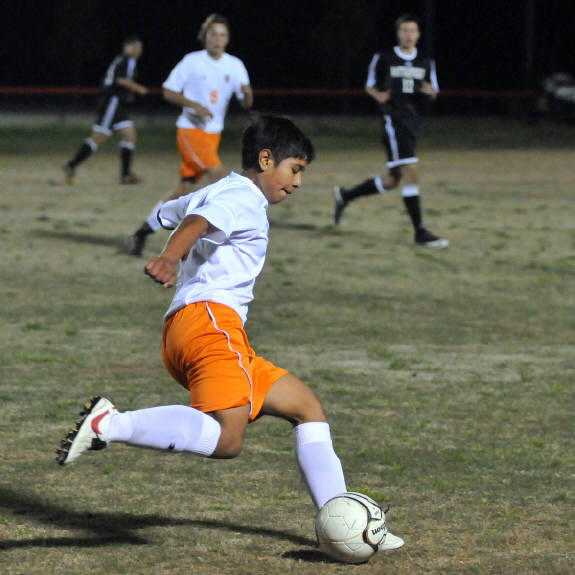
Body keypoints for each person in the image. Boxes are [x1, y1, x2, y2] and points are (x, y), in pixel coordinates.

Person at [55, 116, 404, 552]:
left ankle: (344, 521)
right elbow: (198, 222)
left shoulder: (222, 190)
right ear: (266, 159)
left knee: (306, 408)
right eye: (295, 169)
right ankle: (110, 423)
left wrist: (168, 227)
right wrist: (170, 257)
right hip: (210, 325)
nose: (298, 182)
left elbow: (173, 212)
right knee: (227, 439)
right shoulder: (242, 196)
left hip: (199, 328)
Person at [126, 13, 253, 256]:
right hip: (190, 131)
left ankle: (142, 232)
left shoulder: (235, 65)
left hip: (212, 136)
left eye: (222, 35)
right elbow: (168, 91)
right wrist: (194, 106)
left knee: (183, 190)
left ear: (227, 39)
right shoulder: (192, 61)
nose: (218, 39)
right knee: (220, 178)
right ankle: (222, 242)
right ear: (205, 37)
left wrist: (247, 94)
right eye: (213, 34)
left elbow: (246, 103)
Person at [333, 14, 448, 248]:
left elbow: (434, 90)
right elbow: (369, 85)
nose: (408, 35)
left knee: (392, 180)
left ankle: (345, 196)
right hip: (393, 122)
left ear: (418, 34)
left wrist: (431, 93)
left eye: (412, 31)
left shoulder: (426, 62)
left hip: (412, 122)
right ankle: (420, 232)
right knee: (411, 173)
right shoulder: (384, 58)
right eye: (404, 30)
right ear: (398, 34)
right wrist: (379, 95)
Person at [63, 35, 148, 185]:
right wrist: (139, 88)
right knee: (99, 137)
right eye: (137, 47)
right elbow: (120, 80)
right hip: (112, 103)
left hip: (118, 104)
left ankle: (125, 175)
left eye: (140, 47)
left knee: (129, 135)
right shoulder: (127, 60)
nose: (139, 50)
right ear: (128, 47)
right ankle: (71, 165)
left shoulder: (123, 60)